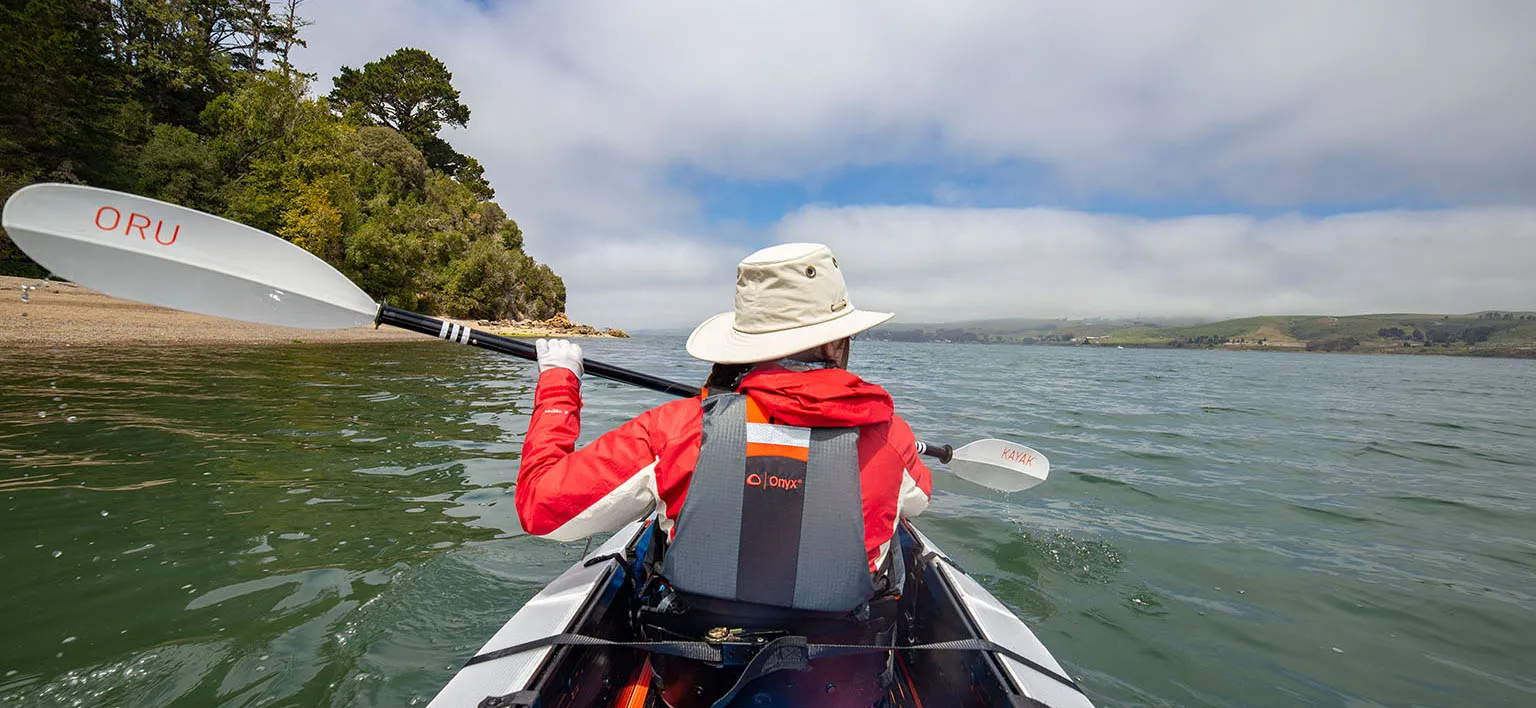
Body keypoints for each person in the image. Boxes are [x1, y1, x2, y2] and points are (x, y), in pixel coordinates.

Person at [515, 242, 933, 705]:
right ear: (836, 342)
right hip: (835, 686)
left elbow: (541, 507)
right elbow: (917, 500)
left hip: (692, 686)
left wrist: (558, 386)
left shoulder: (674, 429)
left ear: (746, 343)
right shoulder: (893, 438)